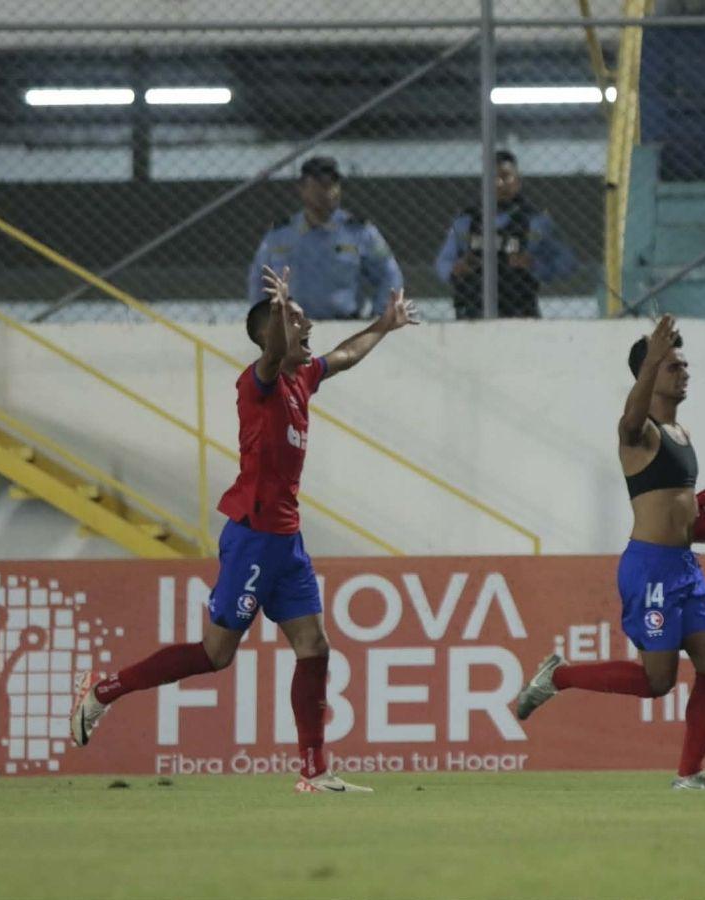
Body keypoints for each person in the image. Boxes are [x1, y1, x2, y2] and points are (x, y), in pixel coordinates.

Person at [70, 266, 420, 794]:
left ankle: (314, 771)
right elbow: (275, 352)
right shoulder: (258, 384)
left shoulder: (303, 379)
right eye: (298, 321)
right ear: (269, 335)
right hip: (254, 537)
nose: (308, 326)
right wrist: (279, 310)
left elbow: (345, 355)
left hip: (286, 540)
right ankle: (103, 693)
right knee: (215, 655)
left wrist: (384, 325)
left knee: (314, 646)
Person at [515, 316, 705, 789]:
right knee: (657, 682)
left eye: (684, 365)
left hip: (685, 567)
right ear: (649, 374)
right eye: (673, 366)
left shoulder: (682, 434)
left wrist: (702, 520)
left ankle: (690, 773)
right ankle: (558, 677)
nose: (684, 373)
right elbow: (630, 420)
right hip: (651, 569)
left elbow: (673, 504)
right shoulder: (641, 434)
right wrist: (651, 359)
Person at [248, 156, 403, 319]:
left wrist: (379, 316)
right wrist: (263, 321)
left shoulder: (359, 232)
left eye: (333, 184)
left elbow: (390, 275)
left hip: (344, 325)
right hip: (292, 326)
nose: (328, 191)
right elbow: (259, 280)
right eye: (319, 184)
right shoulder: (280, 234)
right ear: (301, 188)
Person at [434, 150, 576, 319]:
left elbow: (567, 263)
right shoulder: (466, 221)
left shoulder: (535, 221)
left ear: (518, 181)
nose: (500, 184)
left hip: (519, 313)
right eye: (493, 178)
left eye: (506, 177)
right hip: (472, 313)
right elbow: (443, 261)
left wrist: (534, 265)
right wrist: (455, 269)